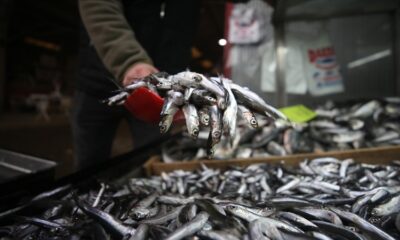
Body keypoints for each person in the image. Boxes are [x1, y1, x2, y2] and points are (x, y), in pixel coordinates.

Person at [74, 0, 199, 169]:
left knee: (152, 164)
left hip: (160, 97)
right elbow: (99, 6)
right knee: (88, 167)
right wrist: (129, 60)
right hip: (99, 83)